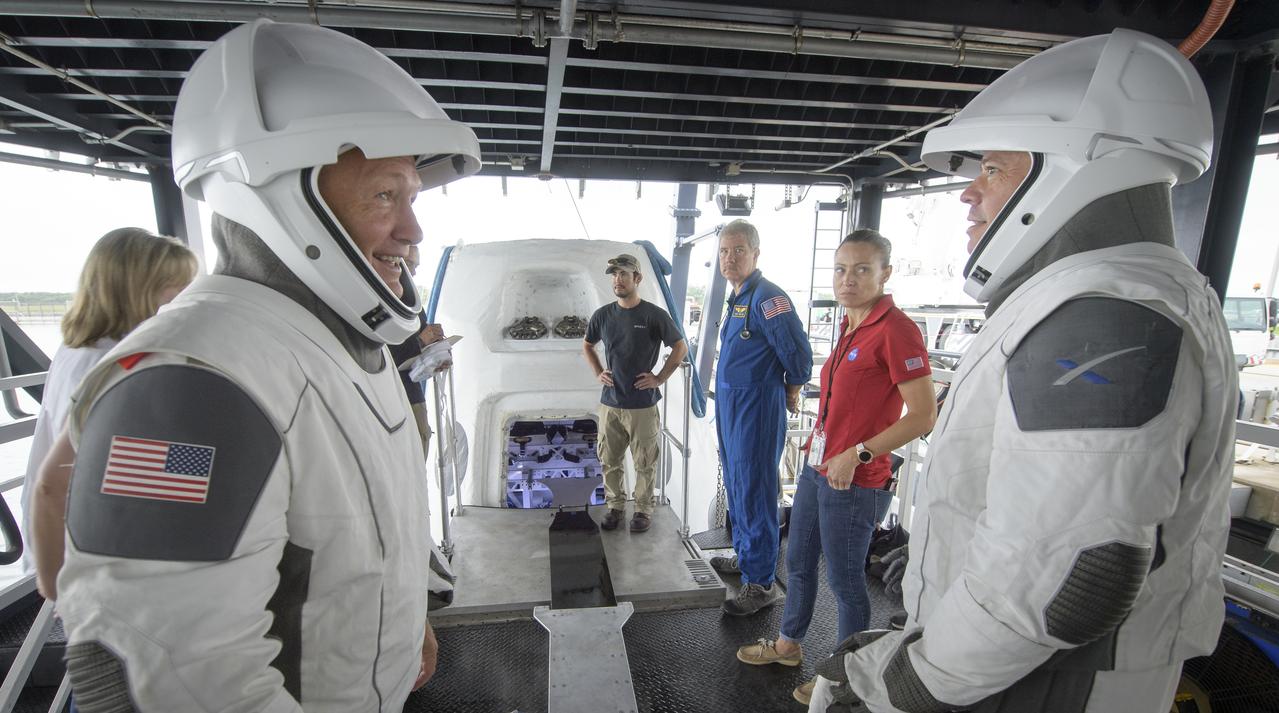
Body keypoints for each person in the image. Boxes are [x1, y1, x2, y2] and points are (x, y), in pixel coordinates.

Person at [53, 19, 480, 712]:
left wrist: (403, 622)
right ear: (282, 197)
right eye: (383, 195)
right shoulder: (191, 385)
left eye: (411, 196)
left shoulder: (331, 345)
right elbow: (157, 673)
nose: (412, 230)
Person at [810, 29, 1235, 713]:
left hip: (1042, 684)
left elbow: (1072, 573)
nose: (967, 194)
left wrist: (912, 681)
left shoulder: (1102, 313)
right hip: (1020, 671)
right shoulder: (1114, 295)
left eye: (992, 169)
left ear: (1070, 170)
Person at [735, 229, 937, 706]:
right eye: (841, 269)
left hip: (856, 479)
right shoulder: (850, 323)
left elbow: (924, 415)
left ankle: (848, 677)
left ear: (885, 274)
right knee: (799, 562)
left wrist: (859, 452)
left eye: (862, 269)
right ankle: (787, 645)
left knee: (846, 581)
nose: (848, 279)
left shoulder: (896, 330)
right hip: (818, 468)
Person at [25, 227, 197, 591]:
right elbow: (63, 480)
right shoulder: (113, 367)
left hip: (81, 541)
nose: (186, 298)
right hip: (95, 554)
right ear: (133, 288)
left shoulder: (79, 350)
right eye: (175, 286)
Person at [712, 219, 813, 616]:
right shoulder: (738, 298)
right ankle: (745, 555)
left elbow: (798, 355)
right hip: (732, 407)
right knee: (738, 485)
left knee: (754, 488)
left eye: (738, 250)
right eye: (723, 251)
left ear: (755, 253)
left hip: (756, 408)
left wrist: (792, 387)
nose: (730, 258)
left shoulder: (768, 298)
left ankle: (762, 582)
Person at [582, 253, 689, 532]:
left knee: (644, 461)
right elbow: (587, 345)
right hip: (611, 403)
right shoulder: (603, 315)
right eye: (614, 275)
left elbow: (680, 347)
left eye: (624, 275)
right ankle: (615, 507)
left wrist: (659, 378)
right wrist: (598, 372)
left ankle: (642, 510)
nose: (618, 280)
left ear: (637, 279)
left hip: (642, 404)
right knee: (609, 459)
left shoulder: (653, 315)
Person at [388, 244, 445, 460]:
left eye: (415, 266)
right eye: (408, 264)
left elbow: (420, 347)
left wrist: (437, 354)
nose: (412, 272)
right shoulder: (382, 303)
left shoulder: (414, 306)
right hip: (393, 398)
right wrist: (421, 341)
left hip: (413, 395)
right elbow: (380, 352)